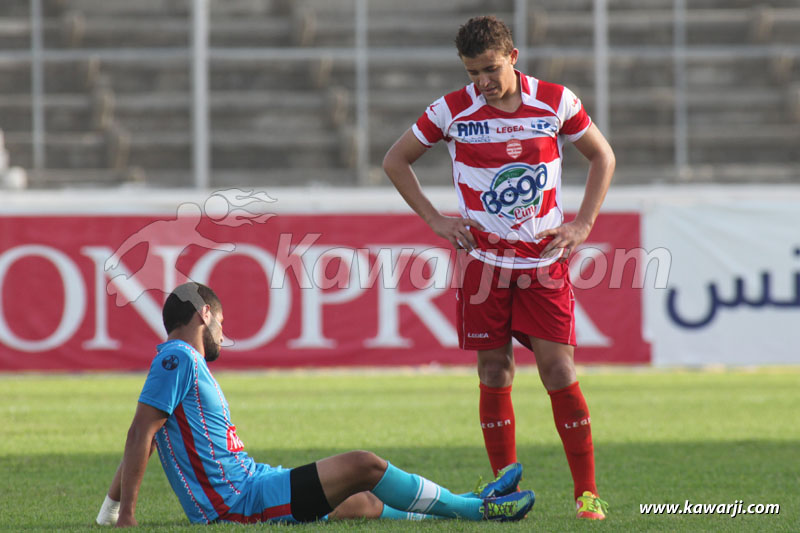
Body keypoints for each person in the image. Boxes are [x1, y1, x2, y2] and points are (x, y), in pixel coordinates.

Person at [382, 15, 614, 520]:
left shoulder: (555, 101)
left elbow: (603, 156)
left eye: (489, 69)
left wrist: (583, 225)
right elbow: (395, 160)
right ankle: (504, 492)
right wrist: (434, 219)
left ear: (512, 56)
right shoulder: (450, 110)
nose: (481, 82)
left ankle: (587, 494)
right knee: (494, 370)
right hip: (483, 265)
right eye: (472, 73)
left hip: (542, 263)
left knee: (558, 370)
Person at [95, 282, 534, 527]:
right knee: (366, 464)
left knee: (362, 500)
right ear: (204, 315)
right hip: (239, 502)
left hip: (251, 484)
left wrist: (109, 509)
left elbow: (149, 436)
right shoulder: (178, 357)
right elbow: (141, 433)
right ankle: (478, 509)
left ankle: (463, 499)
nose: (224, 336)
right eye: (222, 323)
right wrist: (126, 516)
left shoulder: (180, 362)